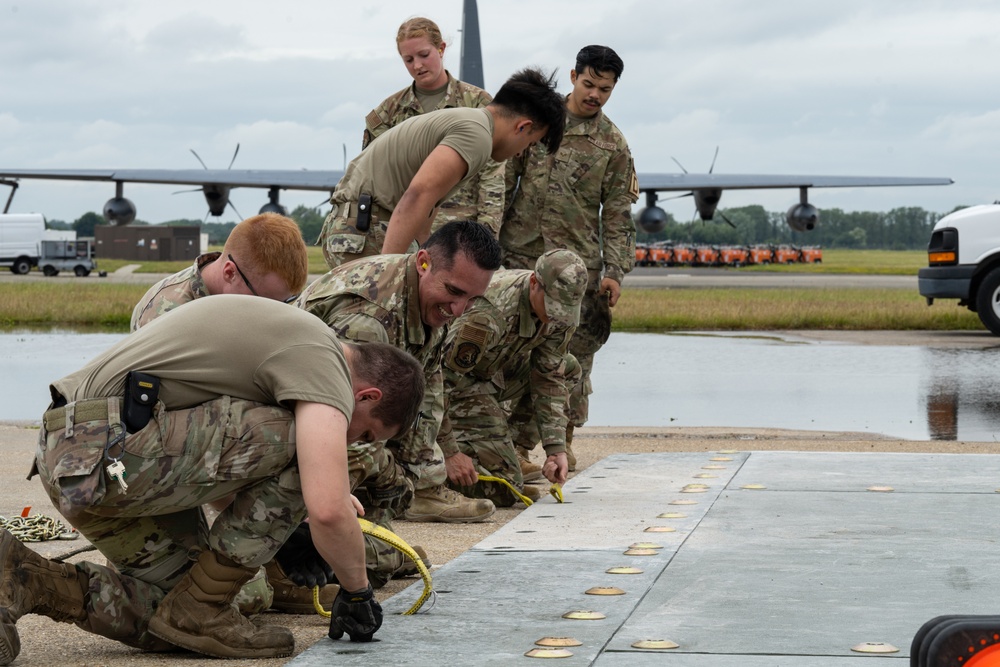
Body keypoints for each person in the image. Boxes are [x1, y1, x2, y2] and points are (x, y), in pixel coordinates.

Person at [4, 295, 424, 662]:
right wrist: (357, 592)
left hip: (82, 465)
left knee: (197, 612)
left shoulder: (295, 352)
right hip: (103, 448)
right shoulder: (324, 359)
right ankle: (202, 607)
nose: (356, 443)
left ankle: (27, 577)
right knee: (306, 448)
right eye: (365, 432)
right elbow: (329, 508)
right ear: (367, 396)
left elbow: (218, 462)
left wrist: (290, 529)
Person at [299, 221, 501, 523]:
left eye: (471, 299)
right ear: (423, 263)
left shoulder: (431, 300)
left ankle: (418, 494)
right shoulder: (369, 321)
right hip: (304, 408)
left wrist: (434, 461)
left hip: (343, 406)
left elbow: (429, 386)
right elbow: (335, 417)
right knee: (371, 453)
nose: (459, 310)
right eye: (454, 291)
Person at [500, 45, 639, 470]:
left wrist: (615, 271)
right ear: (575, 76)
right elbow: (503, 182)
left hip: (579, 268)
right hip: (521, 256)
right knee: (515, 352)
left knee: (570, 357)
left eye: (606, 89)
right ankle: (516, 447)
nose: (595, 94)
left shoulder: (612, 145)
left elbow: (617, 213)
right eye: (589, 84)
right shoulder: (539, 122)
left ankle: (563, 441)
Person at [318, 67, 565, 268]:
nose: (521, 152)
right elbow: (417, 195)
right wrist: (387, 275)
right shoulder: (476, 136)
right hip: (366, 227)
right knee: (374, 321)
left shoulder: (472, 124)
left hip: (363, 224)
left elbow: (428, 206)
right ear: (522, 126)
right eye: (529, 143)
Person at [439, 249, 588, 506]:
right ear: (534, 284)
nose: (555, 317)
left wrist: (556, 448)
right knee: (506, 487)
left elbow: (549, 376)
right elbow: (439, 380)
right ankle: (426, 473)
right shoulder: (488, 315)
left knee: (569, 367)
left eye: (563, 311)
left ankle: (514, 447)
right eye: (552, 307)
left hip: (494, 371)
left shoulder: (561, 311)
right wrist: (449, 450)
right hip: (461, 384)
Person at [362, 16, 505, 236]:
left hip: (461, 234)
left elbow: (492, 177)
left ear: (441, 48)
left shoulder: (478, 104)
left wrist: (485, 235)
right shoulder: (388, 113)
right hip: (404, 232)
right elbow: (373, 177)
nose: (417, 65)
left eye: (424, 55)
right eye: (408, 60)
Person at [130, 212, 308, 330]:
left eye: (287, 302)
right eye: (264, 302)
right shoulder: (164, 314)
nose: (274, 313)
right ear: (230, 273)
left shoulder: (256, 295)